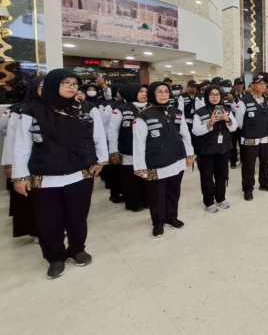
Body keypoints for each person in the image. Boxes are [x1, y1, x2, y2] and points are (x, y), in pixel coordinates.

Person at [12, 69, 108, 279]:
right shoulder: (31, 111)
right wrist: (20, 176)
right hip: (45, 175)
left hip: (80, 172)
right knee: (48, 219)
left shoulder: (87, 109)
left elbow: (99, 137)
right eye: (66, 83)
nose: (72, 87)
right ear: (52, 85)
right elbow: (21, 146)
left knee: (78, 215)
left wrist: (101, 160)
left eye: (75, 83)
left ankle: (77, 249)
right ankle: (55, 257)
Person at [133, 81, 194, 238]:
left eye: (166, 91)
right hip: (155, 163)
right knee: (156, 195)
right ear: (152, 94)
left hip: (177, 159)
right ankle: (158, 222)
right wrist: (140, 166)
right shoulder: (143, 116)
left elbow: (185, 135)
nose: (163, 94)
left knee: (174, 191)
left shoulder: (177, 112)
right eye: (159, 91)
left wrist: (189, 154)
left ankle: (171, 217)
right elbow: (139, 143)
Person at [1, 75, 44, 243]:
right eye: (41, 86)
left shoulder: (57, 109)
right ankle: (34, 231)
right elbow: (12, 140)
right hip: (26, 163)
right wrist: (10, 164)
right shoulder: (20, 110)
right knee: (29, 198)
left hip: (48, 162)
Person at [192, 86, 237, 212]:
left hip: (223, 148)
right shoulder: (199, 112)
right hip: (206, 150)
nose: (215, 97)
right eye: (211, 95)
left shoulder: (226, 110)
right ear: (206, 96)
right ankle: (209, 201)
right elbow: (195, 131)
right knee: (207, 176)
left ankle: (220, 198)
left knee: (222, 175)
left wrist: (227, 119)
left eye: (217, 94)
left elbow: (234, 127)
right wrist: (210, 123)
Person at [107, 83, 149, 212]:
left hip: (147, 150)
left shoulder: (151, 108)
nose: (144, 94)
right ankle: (132, 202)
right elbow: (113, 130)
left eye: (146, 92)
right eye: (141, 91)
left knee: (146, 177)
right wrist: (113, 150)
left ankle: (146, 200)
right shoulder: (121, 109)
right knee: (130, 178)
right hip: (128, 150)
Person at [235, 74, 268, 200]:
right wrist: (251, 130)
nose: (262, 85)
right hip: (250, 138)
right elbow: (239, 121)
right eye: (259, 83)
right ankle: (248, 188)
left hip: (265, 137)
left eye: (264, 83)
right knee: (249, 164)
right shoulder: (245, 101)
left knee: (265, 162)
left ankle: (264, 183)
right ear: (252, 85)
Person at [229, 78, 246, 169]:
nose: (239, 86)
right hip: (233, 123)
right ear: (235, 85)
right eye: (238, 84)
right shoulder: (230, 95)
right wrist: (232, 101)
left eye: (241, 84)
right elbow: (232, 109)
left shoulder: (246, 95)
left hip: (244, 123)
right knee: (233, 143)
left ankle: (243, 159)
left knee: (243, 143)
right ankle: (233, 161)